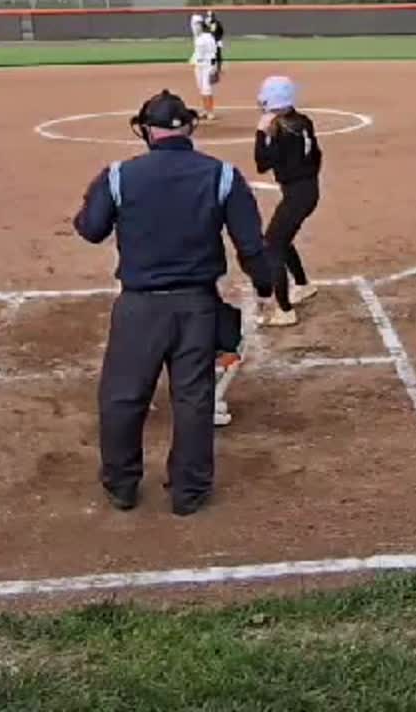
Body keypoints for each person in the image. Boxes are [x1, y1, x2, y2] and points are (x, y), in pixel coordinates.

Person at [72, 90, 276, 515]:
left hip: (139, 307)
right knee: (193, 399)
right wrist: (264, 286)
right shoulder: (222, 175)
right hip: (196, 307)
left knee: (123, 397)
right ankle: (189, 491)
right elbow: (251, 244)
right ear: (189, 127)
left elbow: (90, 229)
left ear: (147, 130)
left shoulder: (118, 175)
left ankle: (122, 485)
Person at [253, 75, 323, 328]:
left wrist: (262, 133)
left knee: (271, 246)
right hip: (307, 190)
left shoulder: (282, 130)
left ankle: (284, 310)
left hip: (297, 195)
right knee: (281, 239)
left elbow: (261, 163)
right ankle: (303, 285)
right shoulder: (302, 121)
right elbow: (316, 155)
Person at [189, 18, 221, 120]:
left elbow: (213, 53)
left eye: (197, 26)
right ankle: (205, 110)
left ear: (202, 27)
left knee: (207, 89)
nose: (195, 28)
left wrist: (214, 66)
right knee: (201, 88)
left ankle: (210, 112)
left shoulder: (208, 38)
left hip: (207, 66)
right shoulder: (197, 37)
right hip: (199, 67)